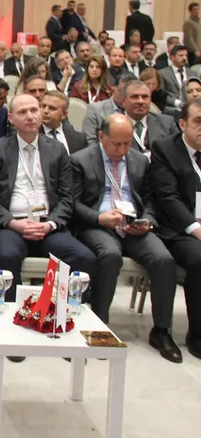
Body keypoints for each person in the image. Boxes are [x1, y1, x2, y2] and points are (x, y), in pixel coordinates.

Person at [0, 94, 96, 362]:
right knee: (8, 256)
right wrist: (14, 223)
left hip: (48, 226)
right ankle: (12, 330)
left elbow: (67, 197)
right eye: (23, 112)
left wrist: (51, 223)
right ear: (11, 118)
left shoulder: (57, 149)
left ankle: (62, 323)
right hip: (10, 225)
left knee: (83, 257)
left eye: (35, 110)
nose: (30, 116)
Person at [70, 113, 182, 362]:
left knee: (163, 259)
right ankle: (100, 325)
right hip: (98, 224)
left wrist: (148, 221)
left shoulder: (139, 160)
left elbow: (150, 199)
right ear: (101, 137)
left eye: (127, 143)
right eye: (116, 144)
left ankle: (161, 331)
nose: (122, 150)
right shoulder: (80, 160)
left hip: (133, 225)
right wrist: (99, 217)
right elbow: (74, 203)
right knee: (109, 255)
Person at [149, 99, 201, 360]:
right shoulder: (165, 149)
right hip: (178, 228)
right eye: (198, 122)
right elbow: (168, 198)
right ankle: (197, 333)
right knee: (199, 258)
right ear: (182, 124)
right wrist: (196, 229)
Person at [119, 79, 178, 155]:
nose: (140, 101)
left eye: (145, 97)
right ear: (123, 101)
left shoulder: (167, 123)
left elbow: (178, 153)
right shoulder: (112, 125)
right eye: (135, 97)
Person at [40, 91, 87, 156]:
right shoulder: (31, 136)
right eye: (43, 106)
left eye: (52, 108)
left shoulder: (79, 139)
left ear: (64, 114)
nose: (45, 111)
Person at [160, 44, 191, 111]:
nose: (184, 58)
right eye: (181, 55)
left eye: (186, 55)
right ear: (172, 57)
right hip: (172, 108)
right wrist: (176, 102)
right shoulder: (162, 73)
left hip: (191, 106)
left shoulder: (192, 73)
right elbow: (161, 94)